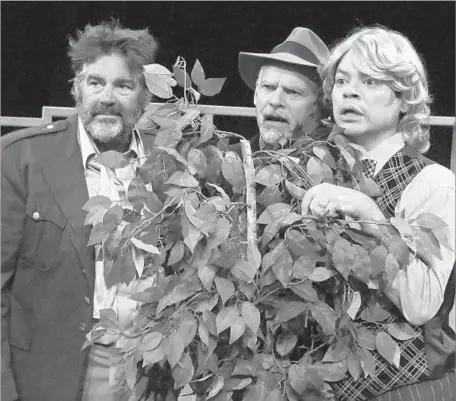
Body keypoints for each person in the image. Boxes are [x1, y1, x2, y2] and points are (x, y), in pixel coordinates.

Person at [1, 20, 175, 401]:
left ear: (144, 98)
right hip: (48, 374)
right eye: (95, 82)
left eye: (123, 85)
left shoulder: (170, 167)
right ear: (76, 88)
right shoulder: (22, 157)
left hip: (149, 372)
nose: (107, 97)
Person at [302, 25, 455, 401]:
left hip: (405, 388)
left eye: (370, 81)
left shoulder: (433, 183)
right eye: (341, 81)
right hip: (323, 383)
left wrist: (370, 215)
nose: (350, 91)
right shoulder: (319, 170)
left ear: (404, 98)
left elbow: (420, 306)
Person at [236, 27, 331, 151]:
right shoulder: (228, 160)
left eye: (292, 92)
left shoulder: (340, 162)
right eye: (268, 87)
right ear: (255, 95)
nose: (275, 101)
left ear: (319, 103)